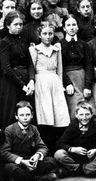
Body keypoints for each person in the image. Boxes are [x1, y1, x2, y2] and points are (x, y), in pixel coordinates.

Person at [29, 22, 70, 152]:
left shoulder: (57, 49)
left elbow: (60, 70)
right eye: (45, 34)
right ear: (39, 35)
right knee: (45, 115)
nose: (48, 36)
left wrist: (61, 85)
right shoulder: (34, 49)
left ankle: (58, 149)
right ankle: (45, 149)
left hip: (55, 83)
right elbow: (32, 69)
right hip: (41, 83)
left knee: (59, 114)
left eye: (50, 33)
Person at [0, 101, 58, 181]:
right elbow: (4, 152)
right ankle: (38, 178)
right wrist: (22, 161)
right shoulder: (9, 129)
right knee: (10, 168)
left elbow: (42, 147)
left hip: (31, 161)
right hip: (18, 163)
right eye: (22, 115)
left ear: (32, 115)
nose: (25, 118)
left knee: (51, 161)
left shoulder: (33, 129)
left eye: (27, 115)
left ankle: (25, 179)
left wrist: (37, 155)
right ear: (16, 116)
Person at [0, 11, 35, 129]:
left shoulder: (23, 41)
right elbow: (6, 69)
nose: (19, 27)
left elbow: (30, 63)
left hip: (27, 84)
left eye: (20, 24)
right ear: (8, 26)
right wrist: (23, 86)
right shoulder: (4, 43)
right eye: (15, 25)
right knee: (12, 115)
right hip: (12, 85)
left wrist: (32, 81)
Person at [54, 101, 96, 178]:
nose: (84, 118)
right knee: (59, 154)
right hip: (74, 159)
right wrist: (72, 149)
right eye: (81, 115)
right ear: (76, 115)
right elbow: (60, 143)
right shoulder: (73, 125)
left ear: (91, 114)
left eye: (87, 114)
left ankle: (74, 172)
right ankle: (85, 171)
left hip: (90, 159)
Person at [59, 15, 93, 119]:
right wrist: (67, 83)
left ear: (78, 27)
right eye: (68, 25)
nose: (72, 27)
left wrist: (87, 86)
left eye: (74, 24)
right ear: (64, 28)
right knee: (73, 109)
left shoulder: (84, 44)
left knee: (88, 107)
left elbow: (88, 65)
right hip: (68, 79)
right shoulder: (59, 44)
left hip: (82, 77)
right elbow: (60, 67)